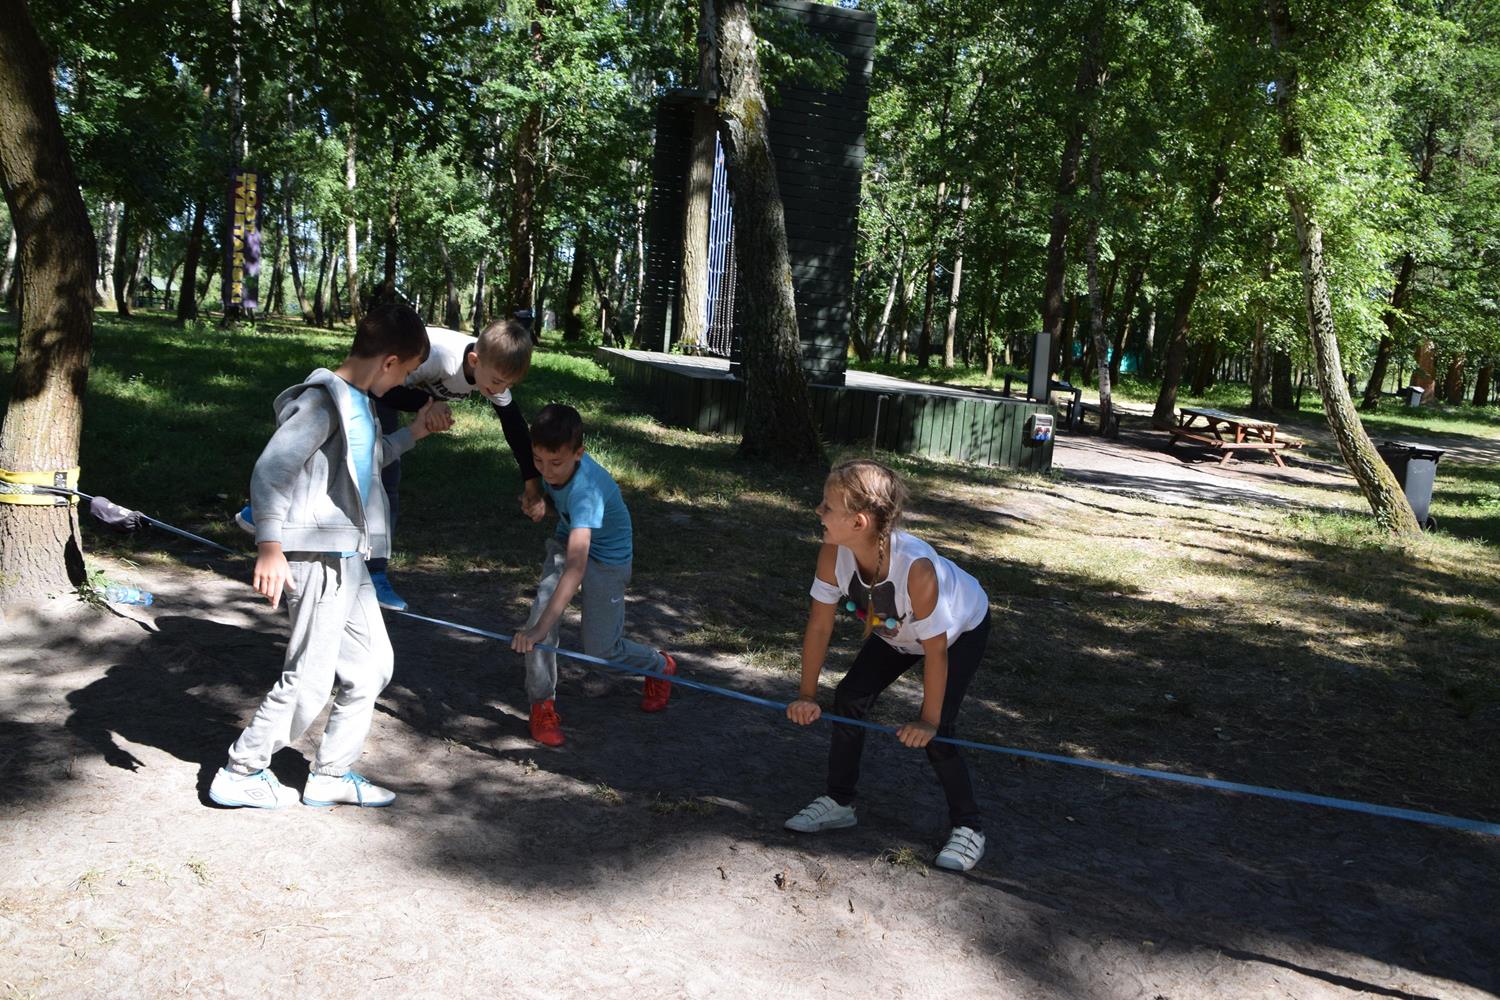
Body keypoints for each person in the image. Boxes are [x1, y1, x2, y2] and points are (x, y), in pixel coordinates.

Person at [209, 304, 452, 809]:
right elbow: (270, 470)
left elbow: (367, 461)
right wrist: (269, 546)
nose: (403, 384)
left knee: (371, 666)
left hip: (348, 557)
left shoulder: (359, 403)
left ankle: (330, 775)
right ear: (389, 362)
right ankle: (240, 771)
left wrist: (416, 434)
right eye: (406, 373)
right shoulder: (322, 402)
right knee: (309, 677)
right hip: (314, 555)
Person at [236, 318, 543, 611]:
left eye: (508, 384)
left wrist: (531, 481)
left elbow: (514, 427)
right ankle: (273, 516)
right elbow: (387, 384)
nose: (500, 390)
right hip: (376, 388)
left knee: (377, 470)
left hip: (395, 389)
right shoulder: (442, 358)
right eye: (498, 382)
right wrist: (429, 403)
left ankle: (372, 570)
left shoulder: (495, 368)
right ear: (474, 361)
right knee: (373, 473)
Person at [783, 459, 992, 872]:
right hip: (897, 631)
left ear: (858, 522)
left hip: (957, 632)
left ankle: (969, 827)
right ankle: (840, 801)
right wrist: (807, 695)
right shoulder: (833, 553)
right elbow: (820, 626)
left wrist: (928, 721)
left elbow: (935, 652)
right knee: (849, 696)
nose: (818, 512)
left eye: (827, 507)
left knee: (940, 732)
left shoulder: (916, 569)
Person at [509, 404, 675, 746]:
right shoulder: (553, 466)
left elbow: (576, 567)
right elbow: (557, 500)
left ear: (579, 454)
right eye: (539, 461)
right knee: (540, 618)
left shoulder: (588, 491)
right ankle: (542, 705)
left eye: (555, 463)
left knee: (601, 651)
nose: (546, 471)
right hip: (569, 537)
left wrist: (538, 630)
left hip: (606, 558)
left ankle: (659, 666)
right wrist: (541, 502)